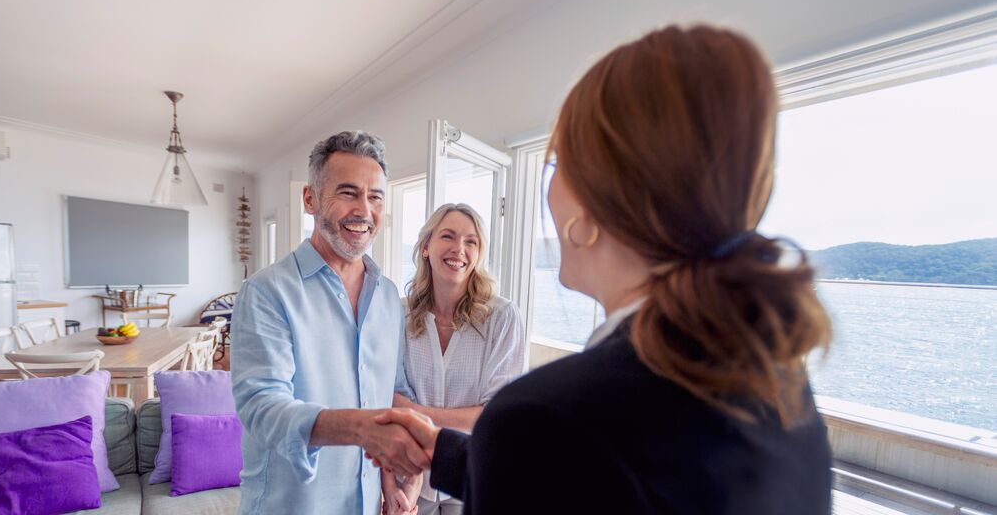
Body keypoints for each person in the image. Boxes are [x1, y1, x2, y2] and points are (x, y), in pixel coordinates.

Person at [375, 25, 835, 514]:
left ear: (589, 209)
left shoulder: (539, 417)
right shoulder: (780, 383)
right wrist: (446, 453)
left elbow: (578, 461)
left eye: (556, 165)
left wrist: (496, 448)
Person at [232, 131, 427, 515]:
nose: (364, 211)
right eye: (348, 192)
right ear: (310, 198)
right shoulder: (267, 291)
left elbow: (393, 392)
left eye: (375, 197)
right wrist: (361, 429)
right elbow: (262, 406)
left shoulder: (388, 296)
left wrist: (403, 475)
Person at [381, 204, 527, 515]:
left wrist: (417, 413)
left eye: (471, 241)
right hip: (410, 476)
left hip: (471, 476)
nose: (459, 248)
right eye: (447, 236)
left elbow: (496, 414)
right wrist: (389, 483)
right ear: (425, 247)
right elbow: (385, 400)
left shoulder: (502, 318)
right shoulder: (398, 313)